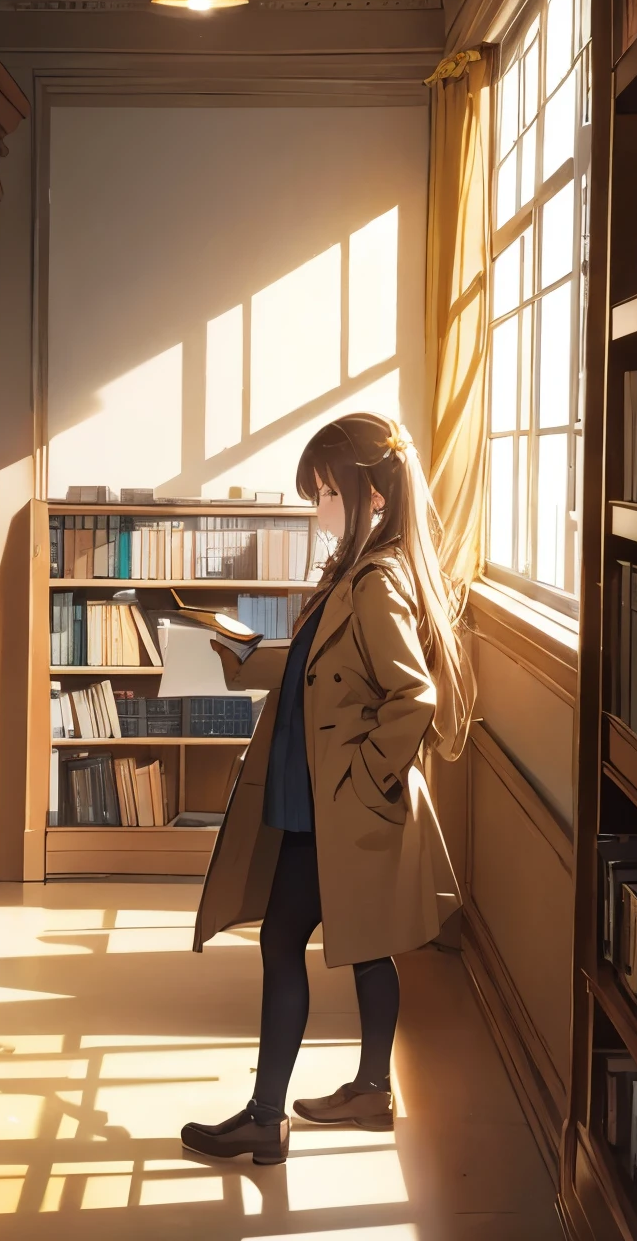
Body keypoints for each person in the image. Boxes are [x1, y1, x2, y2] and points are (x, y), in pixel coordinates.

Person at [181, 412, 474, 1166]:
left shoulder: (375, 581)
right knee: (368, 946)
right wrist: (248, 661)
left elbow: (415, 698)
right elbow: (327, 673)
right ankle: (371, 1089)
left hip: (335, 804)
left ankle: (263, 1116)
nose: (318, 511)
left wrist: (364, 780)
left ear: (370, 492)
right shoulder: (358, 566)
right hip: (324, 798)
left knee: (283, 940)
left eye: (325, 495)